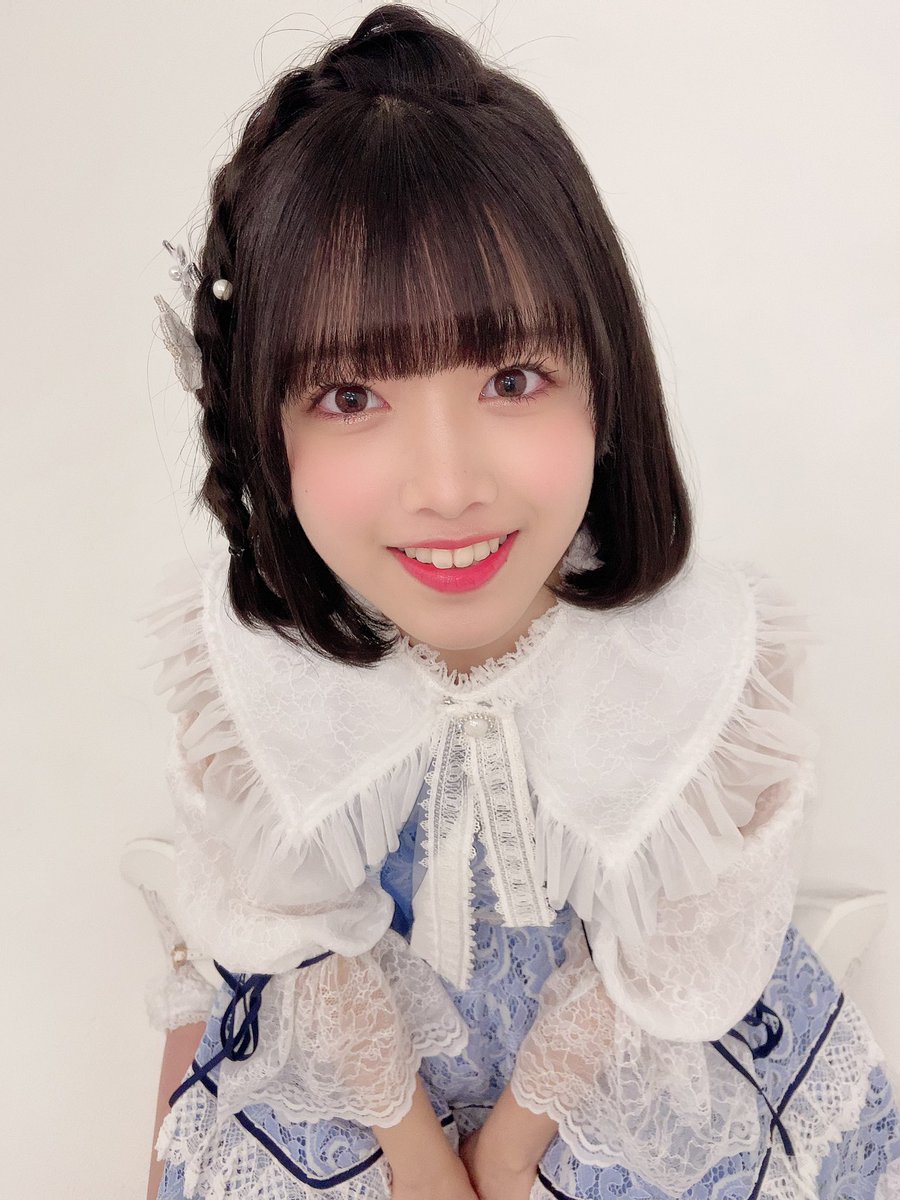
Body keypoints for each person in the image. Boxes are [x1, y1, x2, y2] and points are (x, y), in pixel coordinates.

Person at [138, 5, 900, 1198]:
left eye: (512, 376)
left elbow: (666, 954)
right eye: (350, 395)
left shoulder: (688, 662)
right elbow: (295, 931)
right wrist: (417, 1158)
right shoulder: (258, 667)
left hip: (614, 1093)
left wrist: (503, 1152)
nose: (447, 487)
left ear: (605, 379)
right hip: (356, 1092)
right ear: (262, 426)